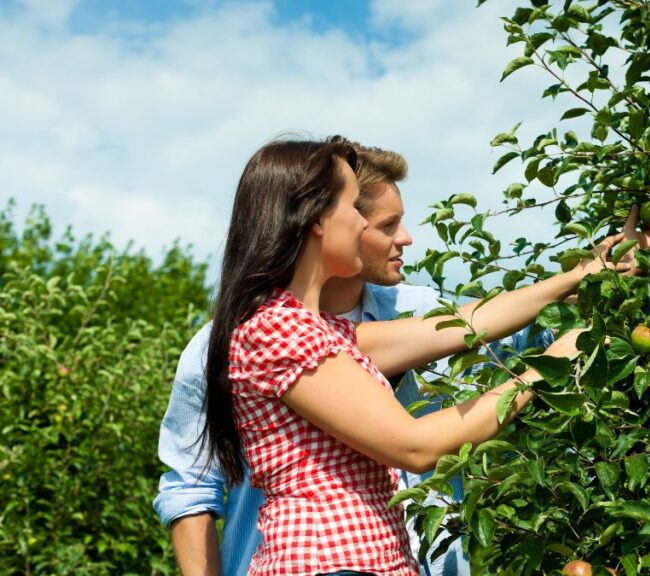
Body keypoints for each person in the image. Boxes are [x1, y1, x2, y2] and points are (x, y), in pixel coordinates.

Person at [202, 136, 650, 575]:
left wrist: (584, 273)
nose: (364, 223)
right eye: (352, 209)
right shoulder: (276, 329)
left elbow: (463, 326)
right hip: (326, 562)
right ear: (317, 218)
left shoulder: (316, 329)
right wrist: (542, 373)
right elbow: (415, 446)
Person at [155, 142, 531, 576]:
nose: (406, 238)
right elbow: (191, 487)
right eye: (383, 223)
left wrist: (585, 282)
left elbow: (498, 333)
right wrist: (538, 375)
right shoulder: (231, 340)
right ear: (322, 221)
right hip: (313, 558)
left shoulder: (412, 310)